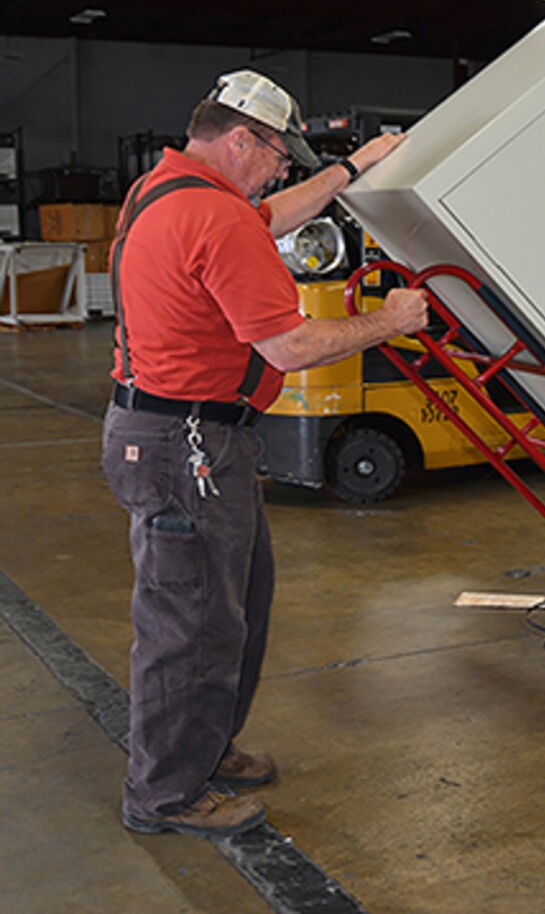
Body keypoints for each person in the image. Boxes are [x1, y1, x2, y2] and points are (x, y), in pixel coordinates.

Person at [102, 69, 429, 836]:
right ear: (242, 139)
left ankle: (202, 746)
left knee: (235, 603)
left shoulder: (169, 189)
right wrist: (392, 320)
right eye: (279, 153)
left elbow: (270, 214)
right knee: (196, 625)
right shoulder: (216, 220)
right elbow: (289, 343)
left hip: (181, 438)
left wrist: (354, 168)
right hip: (190, 446)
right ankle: (166, 793)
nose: (283, 169)